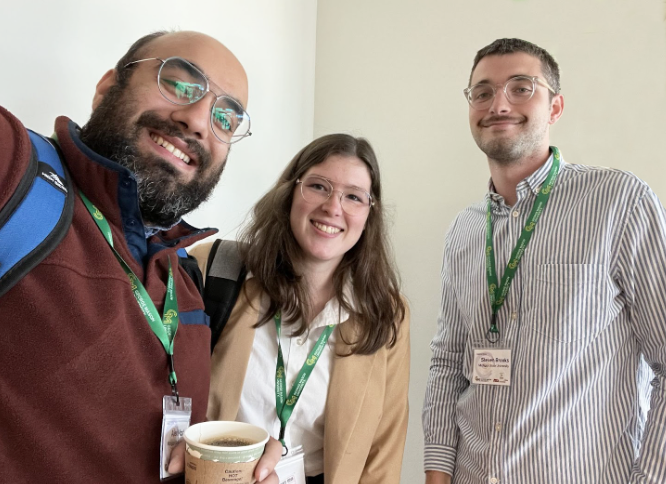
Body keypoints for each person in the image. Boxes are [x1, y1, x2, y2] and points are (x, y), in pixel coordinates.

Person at [0, 30, 280, 483]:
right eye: (180, 83)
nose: (197, 121)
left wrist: (232, 460)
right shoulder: (18, 175)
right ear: (108, 86)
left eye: (225, 118)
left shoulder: (183, 281)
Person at [422, 38, 666, 484]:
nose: (498, 104)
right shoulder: (465, 230)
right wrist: (437, 474)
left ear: (554, 107)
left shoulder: (620, 202)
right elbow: (447, 363)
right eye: (482, 92)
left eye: (521, 87)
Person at [190, 133, 410, 484]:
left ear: (370, 213)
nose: (333, 207)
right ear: (291, 191)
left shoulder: (386, 312)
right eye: (319, 187)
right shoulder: (211, 269)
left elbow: (383, 447)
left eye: (353, 196)